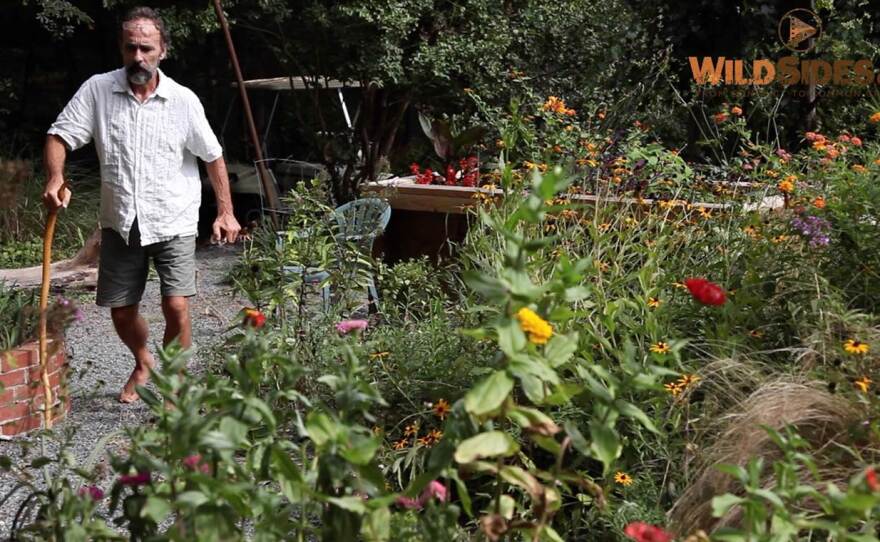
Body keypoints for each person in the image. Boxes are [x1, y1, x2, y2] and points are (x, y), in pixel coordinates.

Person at [42, 6, 241, 403]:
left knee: (176, 305)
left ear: (162, 50)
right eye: (131, 47)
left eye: (147, 48)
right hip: (119, 221)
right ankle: (143, 361)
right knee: (120, 310)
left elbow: (212, 155)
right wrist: (55, 176)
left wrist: (225, 210)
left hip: (174, 217)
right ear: (121, 47)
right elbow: (59, 135)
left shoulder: (182, 100)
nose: (138, 57)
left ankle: (174, 384)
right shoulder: (98, 90)